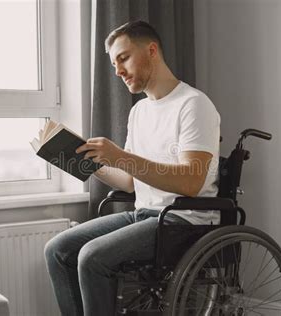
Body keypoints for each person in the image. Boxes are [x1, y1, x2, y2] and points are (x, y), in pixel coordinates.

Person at [44, 20, 221, 316]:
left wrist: (118, 155)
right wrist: (87, 164)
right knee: (58, 250)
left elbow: (191, 182)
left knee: (91, 257)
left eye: (123, 58)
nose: (118, 71)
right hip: (146, 215)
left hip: (185, 222)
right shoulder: (138, 111)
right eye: (114, 64)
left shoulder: (194, 104)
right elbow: (128, 182)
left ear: (151, 50)